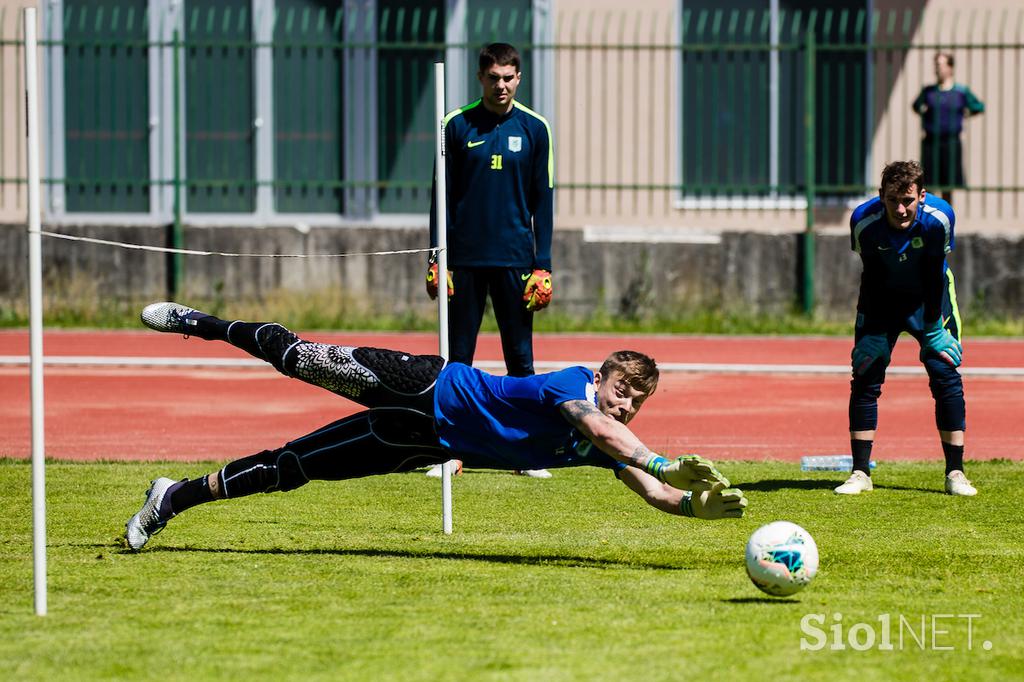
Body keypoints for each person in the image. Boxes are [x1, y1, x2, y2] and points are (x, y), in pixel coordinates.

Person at [124, 302, 748, 551]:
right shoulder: (572, 386)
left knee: (294, 467)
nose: (627, 405)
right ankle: (200, 322)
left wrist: (695, 508)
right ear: (604, 375)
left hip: (421, 440)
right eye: (623, 390)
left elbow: (654, 491)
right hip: (422, 385)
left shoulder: (603, 443)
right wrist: (660, 460)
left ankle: (172, 496)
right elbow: (618, 441)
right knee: (296, 359)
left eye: (639, 401)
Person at [426, 42, 556, 478]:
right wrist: (435, 257)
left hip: (516, 261)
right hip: (463, 259)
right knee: (456, 362)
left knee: (520, 360)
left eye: (509, 77)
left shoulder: (536, 128)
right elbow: (439, 198)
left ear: (519, 78)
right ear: (480, 78)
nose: (501, 85)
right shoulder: (455, 124)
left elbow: (544, 200)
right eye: (493, 77)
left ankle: (525, 455)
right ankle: (452, 454)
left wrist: (544, 264)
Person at [836, 160, 975, 497]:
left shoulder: (939, 219)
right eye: (892, 200)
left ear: (922, 196)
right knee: (866, 373)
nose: (900, 209)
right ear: (881, 196)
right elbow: (871, 274)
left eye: (908, 200)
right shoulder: (863, 222)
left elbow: (932, 271)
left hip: (930, 299)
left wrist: (932, 329)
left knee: (944, 371)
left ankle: (955, 472)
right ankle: (860, 472)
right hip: (882, 300)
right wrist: (870, 328)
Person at [912, 52, 984, 204]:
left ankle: (945, 218)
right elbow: (916, 106)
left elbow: (978, 106)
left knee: (948, 185)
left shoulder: (960, 92)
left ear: (950, 68)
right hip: (931, 142)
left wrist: (967, 113)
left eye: (941, 65)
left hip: (951, 143)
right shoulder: (929, 92)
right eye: (936, 65)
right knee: (928, 183)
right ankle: (927, 217)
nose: (937, 68)